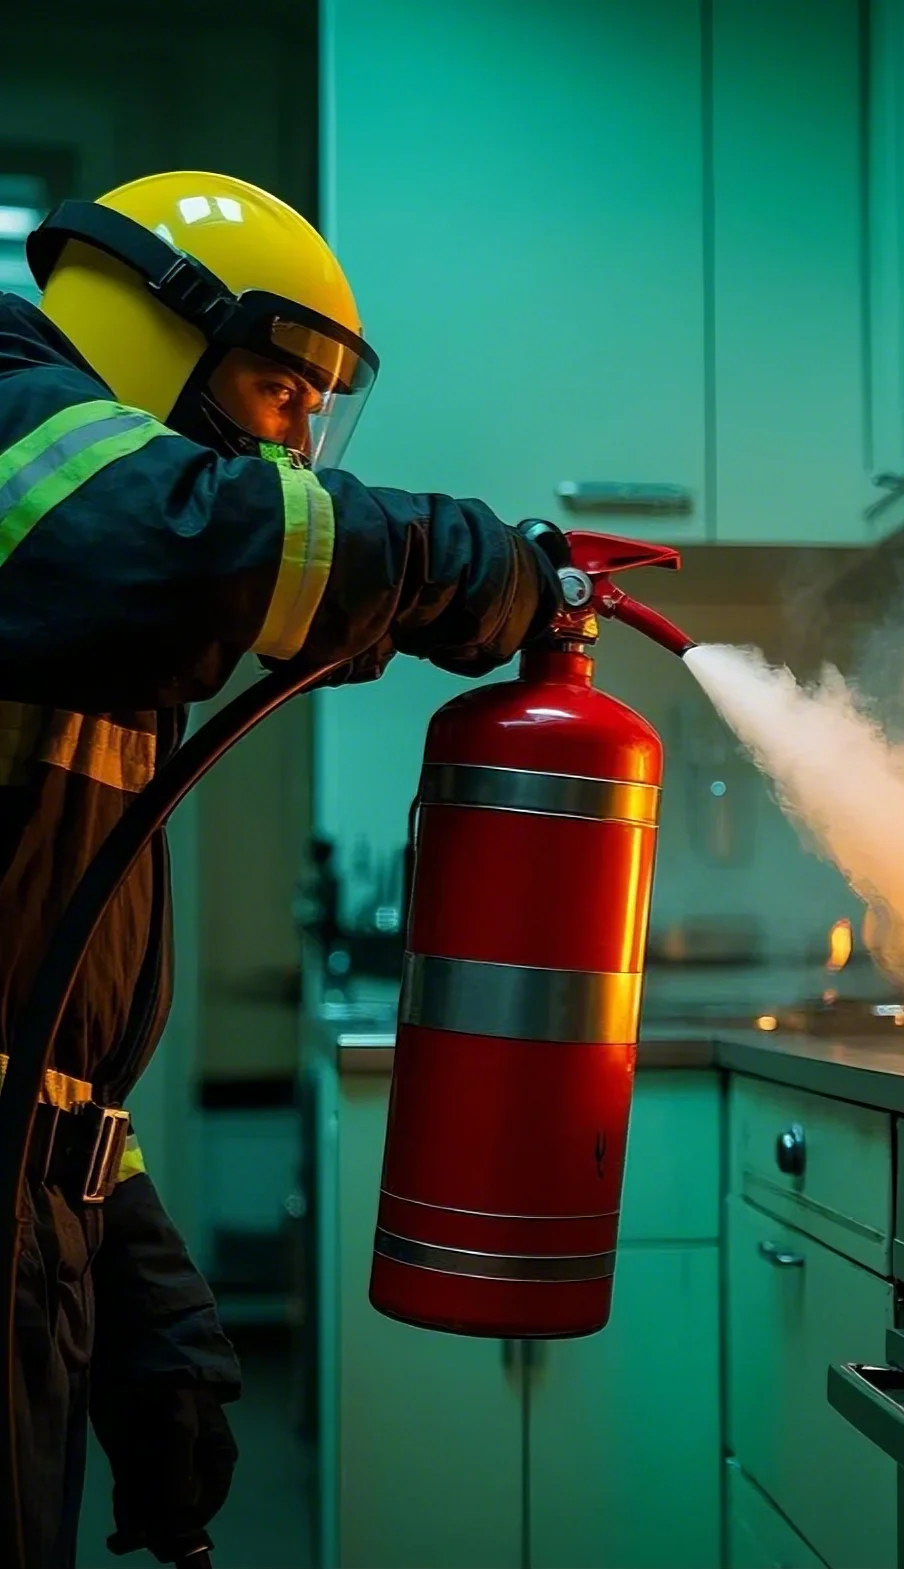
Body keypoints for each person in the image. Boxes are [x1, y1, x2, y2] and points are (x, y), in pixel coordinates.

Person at [0, 170, 567, 1565]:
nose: (302, 441)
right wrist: (465, 564)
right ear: (161, 338)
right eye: (281, 389)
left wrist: (131, 1271)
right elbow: (181, 545)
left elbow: (34, 1013)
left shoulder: (84, 629)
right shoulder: (17, 425)